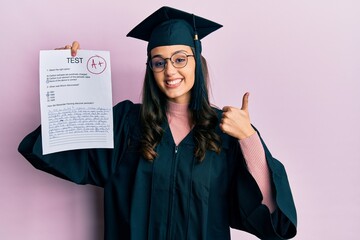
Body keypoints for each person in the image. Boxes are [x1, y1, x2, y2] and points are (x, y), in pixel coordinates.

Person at [18, 6, 297, 240]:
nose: (170, 70)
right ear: (150, 69)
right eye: (159, 62)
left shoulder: (224, 131)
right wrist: (67, 80)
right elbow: (55, 148)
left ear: (197, 62)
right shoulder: (124, 124)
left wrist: (248, 138)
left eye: (180, 59)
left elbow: (270, 216)